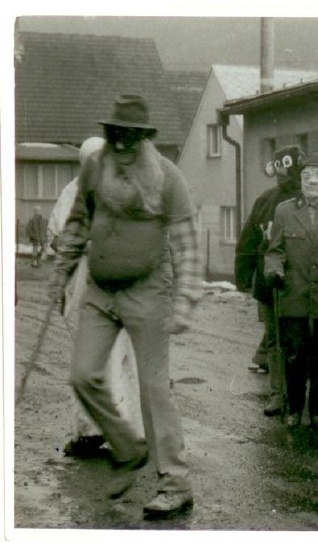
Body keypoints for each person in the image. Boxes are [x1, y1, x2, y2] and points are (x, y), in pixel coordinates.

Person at [47, 94, 201, 519]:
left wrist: (186, 300)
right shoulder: (95, 168)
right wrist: (61, 273)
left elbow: (188, 243)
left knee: (153, 387)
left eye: (130, 135)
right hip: (100, 290)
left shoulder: (166, 176)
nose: (121, 143)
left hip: (148, 291)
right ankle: (127, 446)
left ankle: (175, 483)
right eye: (115, 134)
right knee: (82, 375)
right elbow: (78, 223)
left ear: (144, 137)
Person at [48, 136, 143, 457]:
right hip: (88, 284)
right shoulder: (74, 192)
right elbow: (58, 239)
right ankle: (96, 429)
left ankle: (120, 429)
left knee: (117, 356)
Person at [263, 155, 318, 431]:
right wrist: (274, 270)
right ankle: (294, 408)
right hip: (294, 295)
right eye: (307, 176)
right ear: (301, 181)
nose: (313, 182)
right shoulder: (284, 211)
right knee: (294, 355)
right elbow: (275, 251)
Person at [234, 145, 304, 417]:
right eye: (278, 170)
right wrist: (242, 275)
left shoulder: (307, 199)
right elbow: (249, 239)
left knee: (300, 341)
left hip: (302, 284)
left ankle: (300, 395)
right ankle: (278, 394)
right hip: (270, 284)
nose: (281, 175)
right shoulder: (265, 201)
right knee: (274, 339)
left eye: (287, 169)